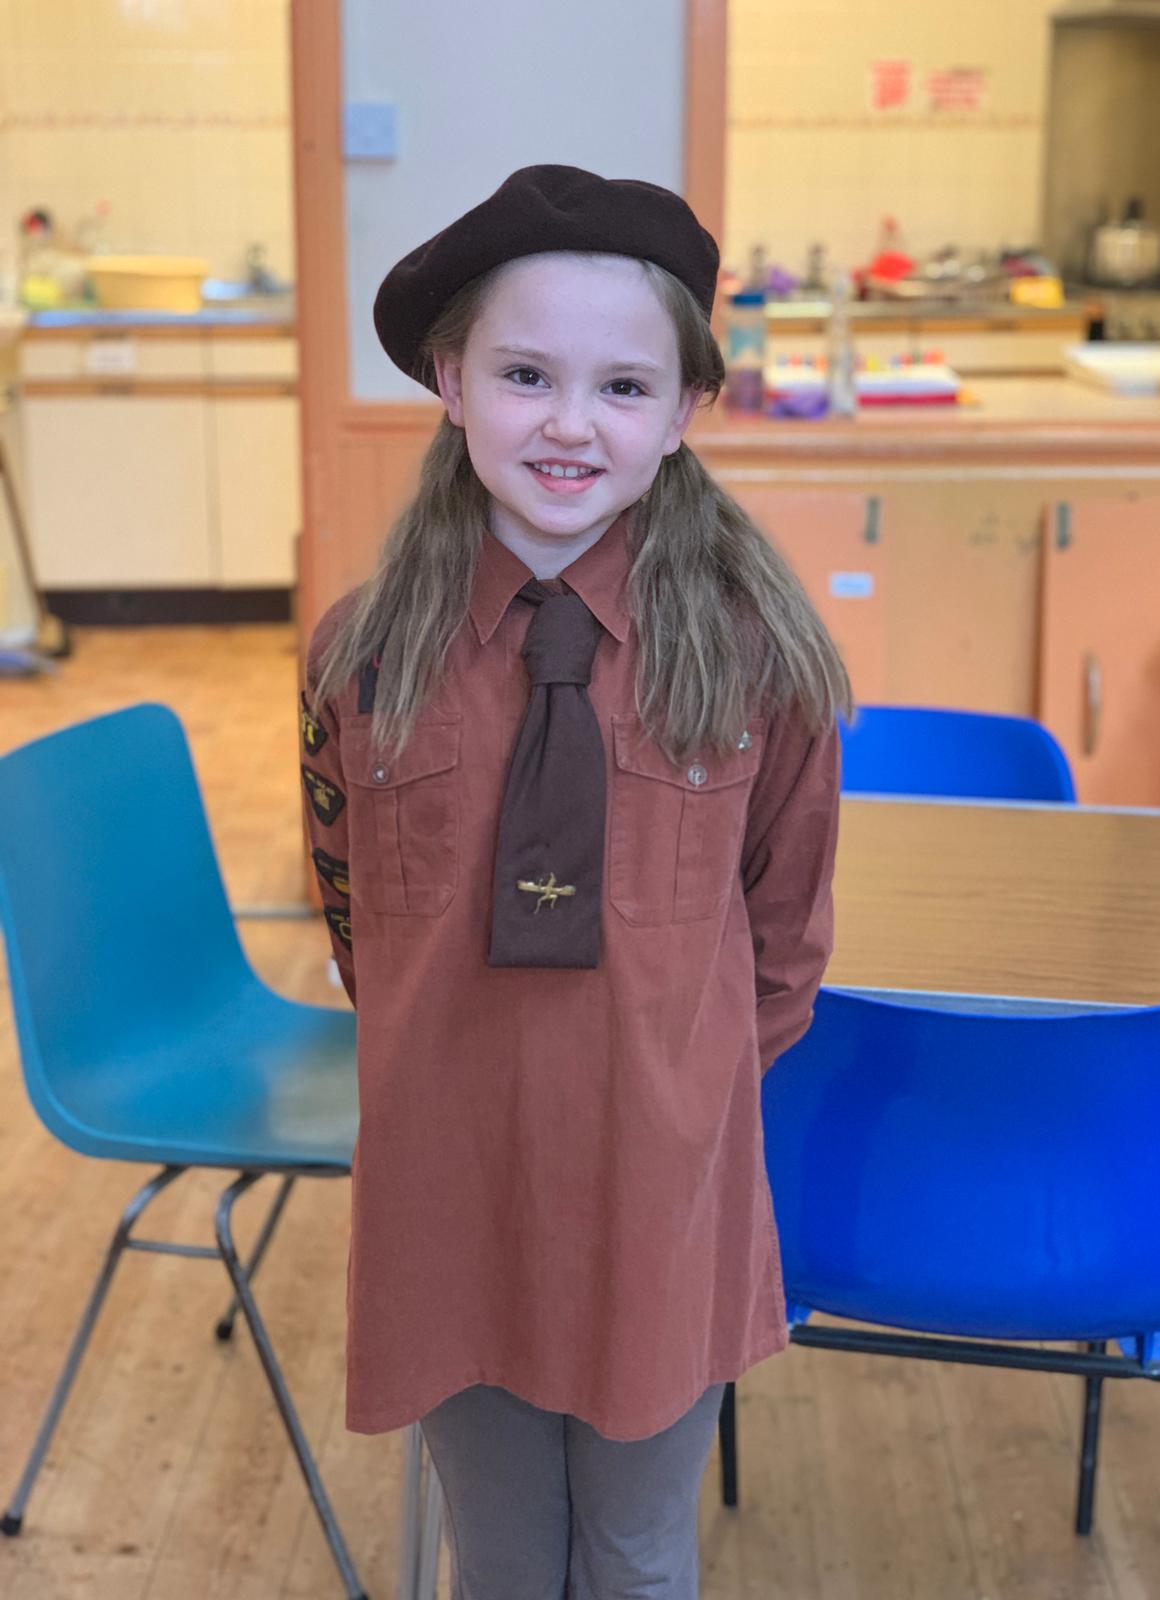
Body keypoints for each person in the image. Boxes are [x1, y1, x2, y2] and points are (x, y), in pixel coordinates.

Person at [299, 164, 850, 1599]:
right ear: (451, 381)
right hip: (449, 1184)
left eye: (622, 387)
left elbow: (784, 940)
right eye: (525, 374)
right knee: (498, 1556)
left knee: (636, 1553)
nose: (568, 423)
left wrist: (670, 1090)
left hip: (659, 1189)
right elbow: (354, 912)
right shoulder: (362, 656)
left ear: (683, 411)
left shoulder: (757, 656)